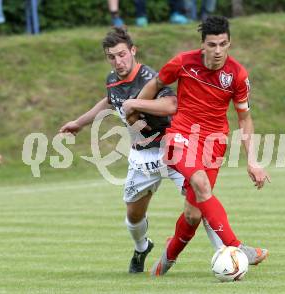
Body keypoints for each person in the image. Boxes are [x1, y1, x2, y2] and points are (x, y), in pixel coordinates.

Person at [59, 28, 222, 273]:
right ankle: (142, 247)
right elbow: (108, 100)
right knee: (134, 216)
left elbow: (171, 104)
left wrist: (136, 103)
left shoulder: (150, 78)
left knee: (200, 196)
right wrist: (79, 123)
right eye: (112, 56)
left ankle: (225, 252)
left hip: (171, 148)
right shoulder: (112, 79)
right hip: (141, 157)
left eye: (122, 54)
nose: (118, 61)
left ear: (133, 51)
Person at [127, 16, 270, 276]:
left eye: (223, 44)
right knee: (202, 185)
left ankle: (165, 263)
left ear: (230, 43)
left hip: (214, 145)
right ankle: (238, 247)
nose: (217, 51)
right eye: (212, 45)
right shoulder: (183, 62)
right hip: (180, 137)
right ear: (202, 44)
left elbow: (244, 118)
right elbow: (156, 83)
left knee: (193, 215)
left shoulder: (237, 74)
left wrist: (252, 160)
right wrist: (135, 111)